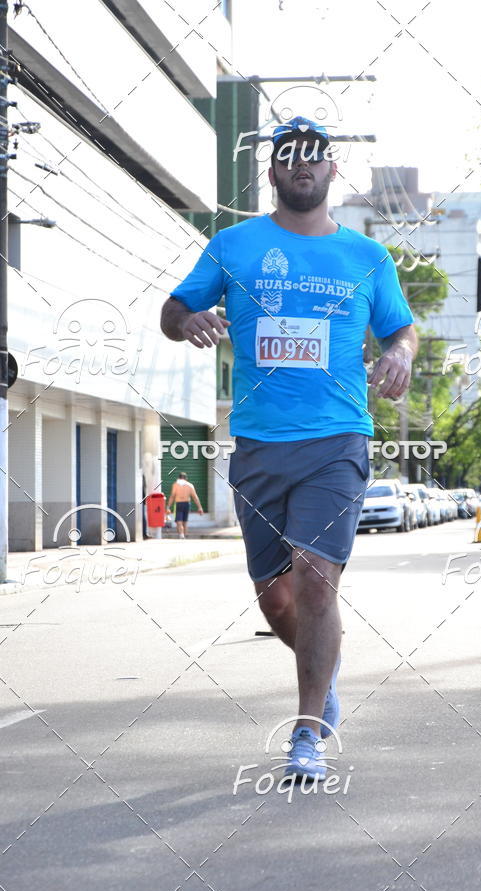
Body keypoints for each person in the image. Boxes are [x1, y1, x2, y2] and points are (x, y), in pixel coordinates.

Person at [160, 115, 417, 780]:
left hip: (337, 438)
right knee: (276, 599)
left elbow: (401, 330)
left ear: (332, 168)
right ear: (273, 170)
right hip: (259, 444)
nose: (302, 165)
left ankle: (307, 734)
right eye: (289, 156)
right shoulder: (234, 245)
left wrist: (400, 354)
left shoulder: (367, 257)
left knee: (314, 578)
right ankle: (322, 670)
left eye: (314, 156)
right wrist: (187, 318)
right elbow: (173, 310)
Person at [166, 472, 203, 539]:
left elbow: (172, 496)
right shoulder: (190, 485)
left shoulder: (175, 485)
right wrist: (199, 507)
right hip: (187, 504)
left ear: (179, 478)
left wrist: (168, 507)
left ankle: (181, 535)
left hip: (179, 503)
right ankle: (184, 536)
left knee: (179, 521)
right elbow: (195, 497)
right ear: (186, 478)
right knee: (185, 521)